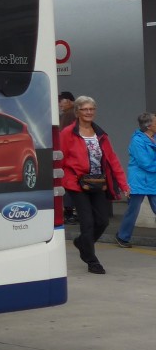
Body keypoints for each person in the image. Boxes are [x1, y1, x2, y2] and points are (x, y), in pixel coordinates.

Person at [59, 95, 129, 274]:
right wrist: (64, 180)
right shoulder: (68, 133)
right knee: (87, 222)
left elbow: (112, 160)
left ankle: (83, 243)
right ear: (77, 112)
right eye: (85, 109)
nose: (89, 112)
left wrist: (124, 185)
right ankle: (91, 260)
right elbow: (60, 158)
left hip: (98, 182)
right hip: (76, 183)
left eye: (92, 109)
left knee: (102, 221)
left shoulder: (101, 134)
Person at [116, 112, 156, 248]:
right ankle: (122, 236)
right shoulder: (137, 141)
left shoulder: (154, 138)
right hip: (139, 180)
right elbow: (145, 163)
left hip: (152, 179)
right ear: (149, 126)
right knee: (133, 210)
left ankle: (122, 236)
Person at [58, 91, 79, 224]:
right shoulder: (73, 114)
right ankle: (70, 212)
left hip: (68, 154)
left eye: (62, 101)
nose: (60, 104)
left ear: (71, 101)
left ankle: (68, 213)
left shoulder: (68, 115)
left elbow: (62, 134)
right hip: (73, 154)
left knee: (67, 184)